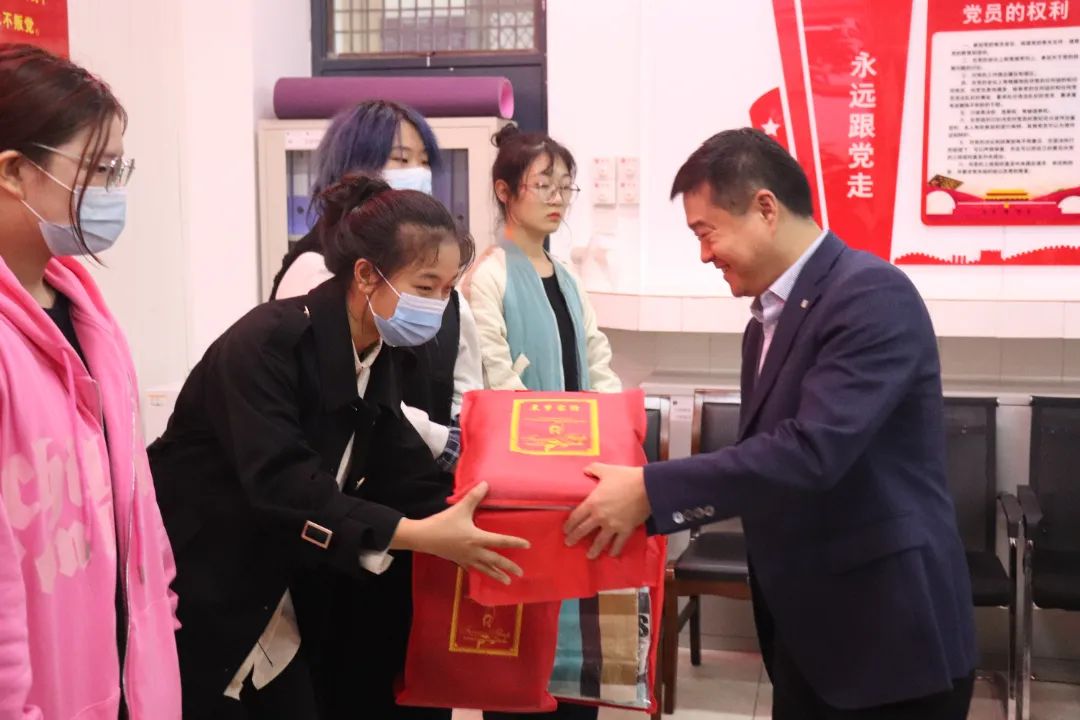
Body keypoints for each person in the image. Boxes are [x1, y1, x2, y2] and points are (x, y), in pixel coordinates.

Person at [565, 128, 977, 720]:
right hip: (810, 632)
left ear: (765, 208)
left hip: (887, 634)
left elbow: (810, 452)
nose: (704, 254)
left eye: (706, 232)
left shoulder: (870, 294)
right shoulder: (766, 320)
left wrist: (651, 491)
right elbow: (764, 457)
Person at [147, 174, 528, 719]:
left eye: (448, 290)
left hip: (280, 603)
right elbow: (284, 484)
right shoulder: (268, 343)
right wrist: (418, 535)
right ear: (367, 275)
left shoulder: (378, 352)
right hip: (204, 589)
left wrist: (505, 505)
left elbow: (399, 467)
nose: (439, 305)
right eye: (426, 287)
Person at [0, 44, 181, 719]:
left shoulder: (88, 315)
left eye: (117, 169)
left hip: (131, 681)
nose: (112, 192)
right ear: (14, 171)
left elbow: (135, 504)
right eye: (99, 169)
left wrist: (159, 615)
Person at [467, 125, 619, 720]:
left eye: (566, 187)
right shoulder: (489, 275)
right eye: (544, 185)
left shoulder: (569, 275)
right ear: (505, 191)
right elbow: (493, 378)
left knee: (573, 619)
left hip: (578, 475)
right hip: (524, 482)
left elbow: (596, 358)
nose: (558, 199)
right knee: (522, 633)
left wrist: (613, 433)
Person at [272, 100, 483, 471]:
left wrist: (467, 439)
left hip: (421, 475)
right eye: (401, 159)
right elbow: (345, 389)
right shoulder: (315, 267)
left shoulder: (440, 278)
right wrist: (443, 441)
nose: (418, 172)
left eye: (425, 161)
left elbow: (465, 383)